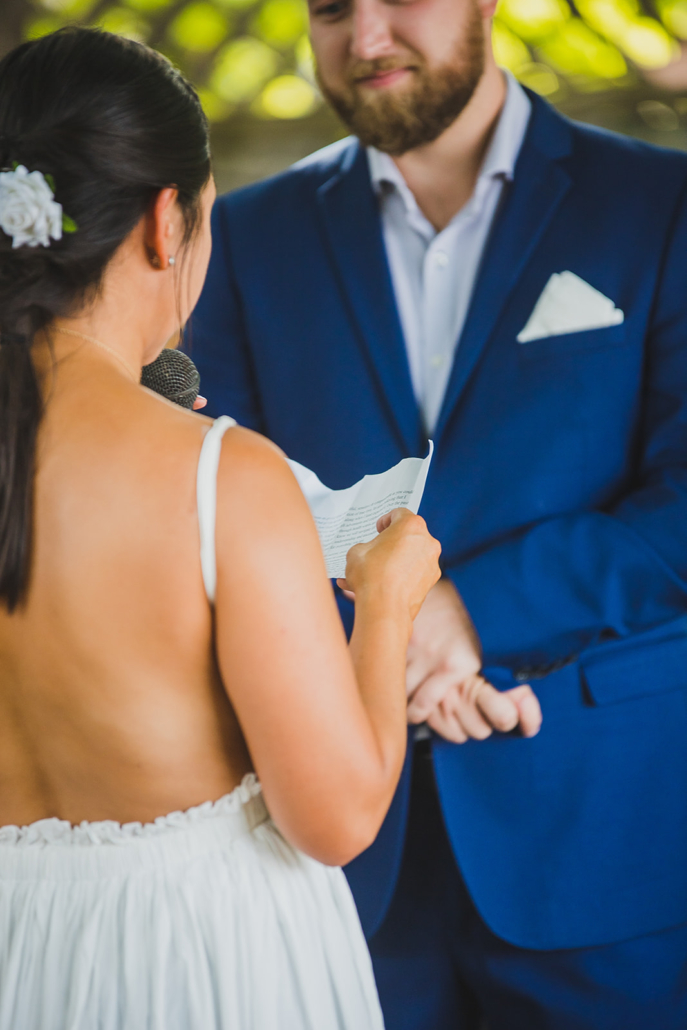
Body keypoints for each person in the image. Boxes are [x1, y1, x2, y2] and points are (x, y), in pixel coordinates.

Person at [189, 0, 687, 1026]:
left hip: (600, 831)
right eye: (330, 10)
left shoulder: (661, 202)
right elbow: (223, 511)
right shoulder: (238, 237)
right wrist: (388, 647)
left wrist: (467, 614)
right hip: (339, 858)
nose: (365, 40)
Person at [0, 27, 442, 1030]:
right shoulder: (220, 475)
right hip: (197, 964)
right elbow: (334, 817)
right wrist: (388, 600)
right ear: (168, 223)